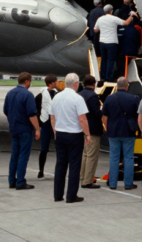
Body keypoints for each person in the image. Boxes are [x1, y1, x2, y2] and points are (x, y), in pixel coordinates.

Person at [50, 73, 92, 203]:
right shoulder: (77, 98)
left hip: (60, 133)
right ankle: (71, 195)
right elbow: (82, 119)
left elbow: (52, 117)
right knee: (74, 165)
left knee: (60, 164)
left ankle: (57, 195)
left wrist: (55, 131)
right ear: (76, 83)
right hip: (74, 135)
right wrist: (88, 134)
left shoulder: (56, 96)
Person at [2, 72, 40, 190]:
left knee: (14, 155)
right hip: (24, 129)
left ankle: (11, 180)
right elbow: (32, 114)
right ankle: (20, 181)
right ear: (27, 81)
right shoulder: (27, 95)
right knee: (23, 155)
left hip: (14, 128)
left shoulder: (10, 93)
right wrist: (37, 129)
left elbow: (5, 110)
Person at [102, 76, 140, 190]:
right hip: (128, 131)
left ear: (117, 86)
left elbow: (104, 116)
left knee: (114, 158)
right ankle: (128, 184)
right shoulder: (133, 99)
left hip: (113, 132)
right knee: (128, 158)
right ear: (126, 86)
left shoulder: (109, 99)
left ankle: (113, 183)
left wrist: (107, 128)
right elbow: (138, 116)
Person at [94, 4, 136, 81]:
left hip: (102, 42)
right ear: (111, 10)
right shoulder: (114, 18)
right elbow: (126, 23)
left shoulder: (99, 19)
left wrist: (103, 29)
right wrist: (131, 16)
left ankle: (102, 77)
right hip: (111, 42)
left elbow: (95, 30)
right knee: (110, 60)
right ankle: (108, 77)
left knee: (103, 60)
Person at [79, 74, 104, 189]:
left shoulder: (80, 94)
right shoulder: (93, 96)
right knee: (92, 155)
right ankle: (88, 181)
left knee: (85, 154)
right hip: (93, 128)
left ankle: (83, 176)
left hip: (83, 128)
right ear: (93, 84)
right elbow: (97, 113)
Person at [35, 74, 58, 179]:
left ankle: (53, 170)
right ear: (51, 83)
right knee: (44, 149)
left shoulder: (57, 94)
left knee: (57, 148)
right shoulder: (41, 95)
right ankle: (41, 170)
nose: (57, 83)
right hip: (46, 122)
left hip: (53, 123)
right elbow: (37, 108)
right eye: (55, 82)